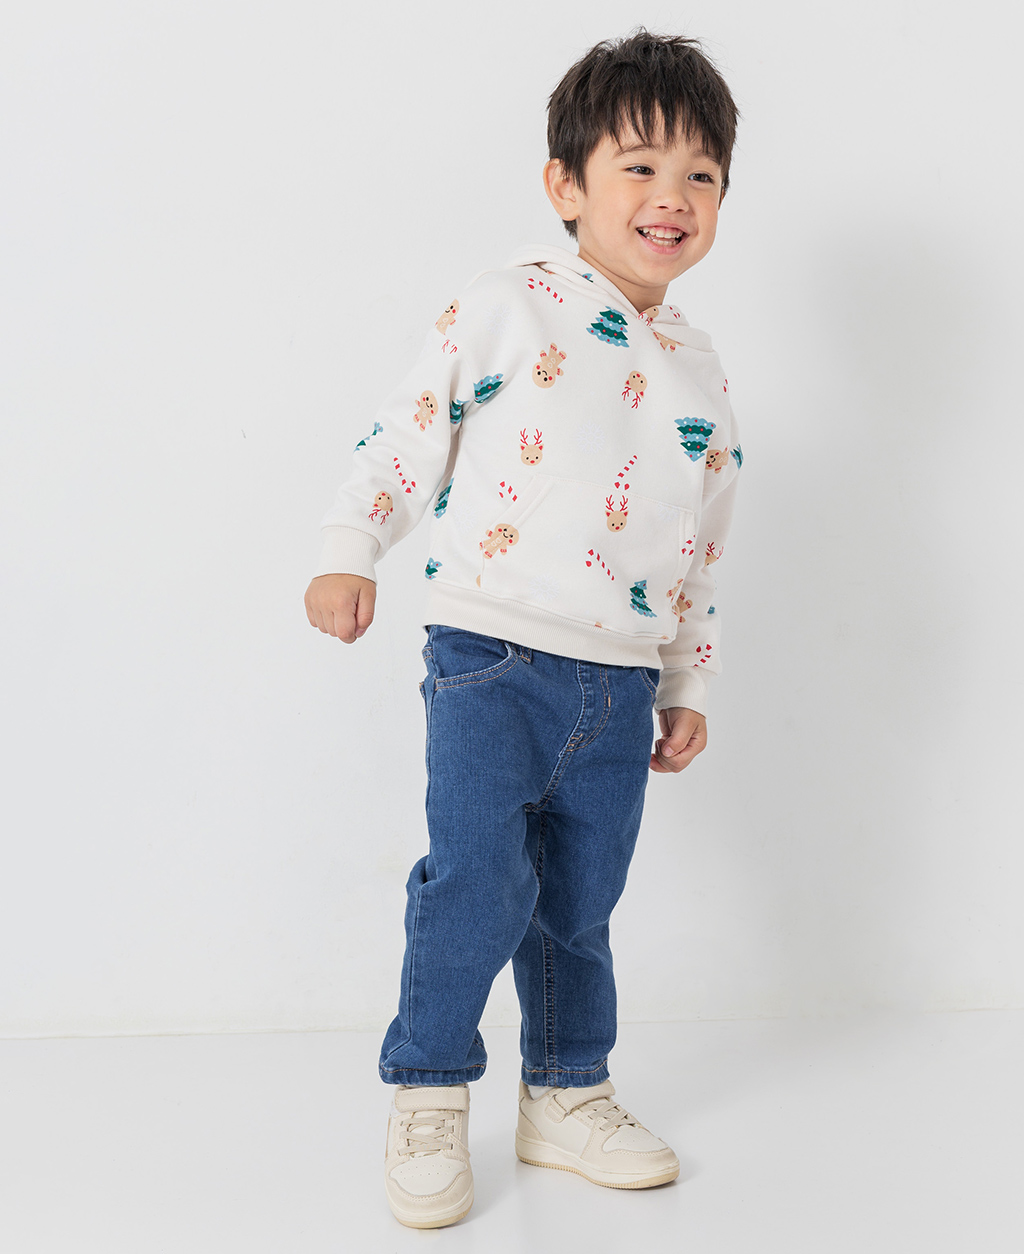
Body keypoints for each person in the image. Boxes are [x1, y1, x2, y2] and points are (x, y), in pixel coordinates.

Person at [304, 27, 744, 1230]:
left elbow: (701, 547)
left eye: (700, 175)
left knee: (580, 903)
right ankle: (429, 1089)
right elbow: (407, 433)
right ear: (566, 184)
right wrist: (350, 546)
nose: (671, 197)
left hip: (619, 682)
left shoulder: (701, 374)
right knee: (474, 882)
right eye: (639, 167)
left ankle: (566, 1091)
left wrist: (687, 683)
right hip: (491, 659)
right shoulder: (509, 306)